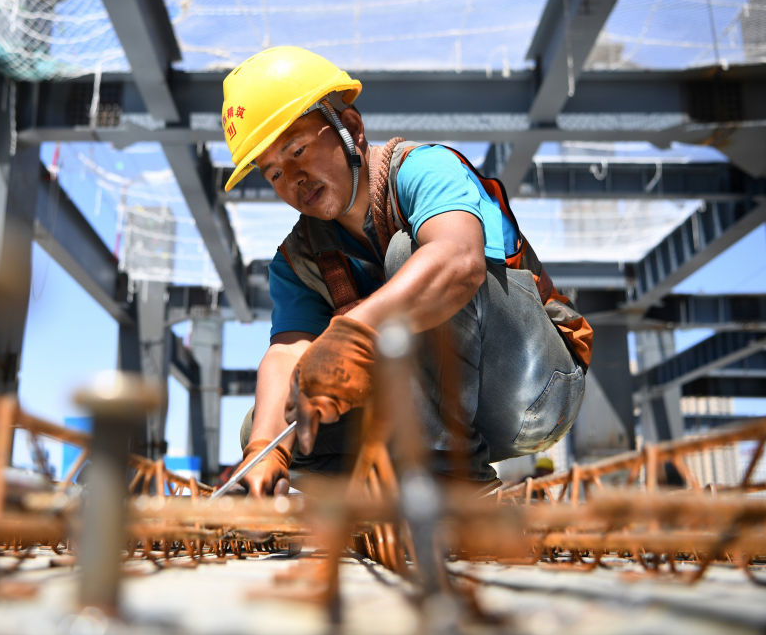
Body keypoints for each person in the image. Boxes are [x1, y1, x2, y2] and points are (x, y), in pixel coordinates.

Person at [222, 46, 593, 496]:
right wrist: (264, 449)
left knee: (411, 254)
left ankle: (453, 484)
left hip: (532, 387)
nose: (293, 178)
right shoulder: (298, 259)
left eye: (298, 150)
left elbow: (458, 260)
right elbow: (287, 353)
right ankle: (364, 495)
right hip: (432, 415)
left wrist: (355, 330)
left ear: (351, 128)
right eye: (274, 174)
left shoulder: (423, 169)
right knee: (276, 419)